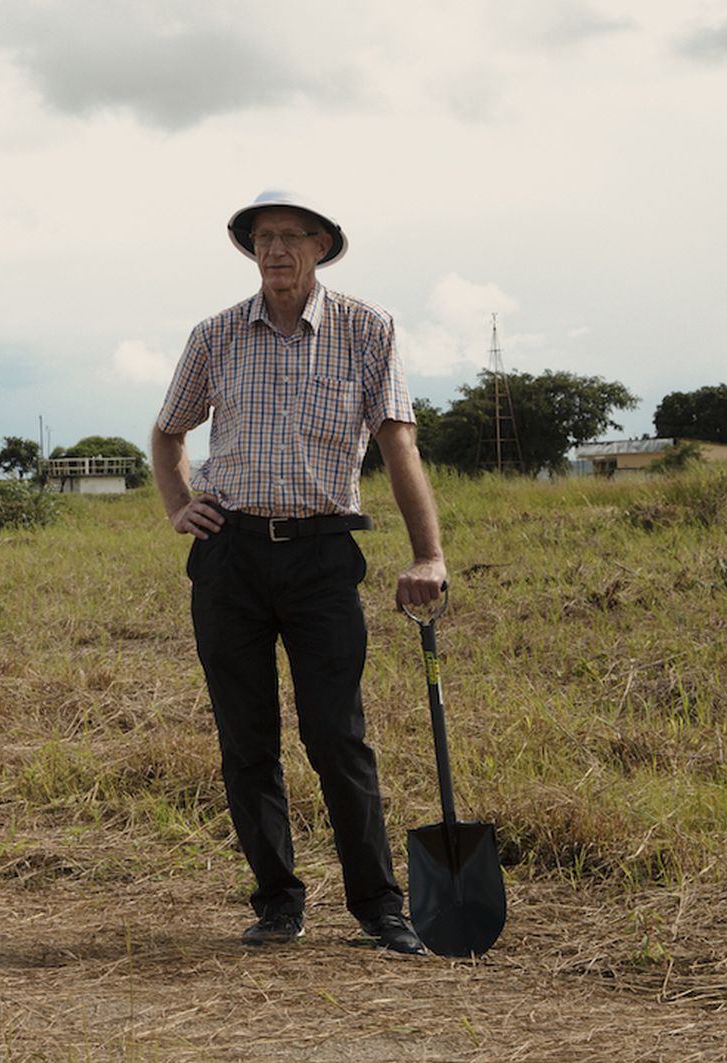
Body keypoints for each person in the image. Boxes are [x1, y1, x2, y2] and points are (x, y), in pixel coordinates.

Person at [150, 190, 447, 953]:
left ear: (322, 246)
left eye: (291, 236)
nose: (274, 249)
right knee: (247, 740)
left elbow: (399, 445)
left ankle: (380, 907)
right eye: (262, 237)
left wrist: (428, 554)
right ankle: (278, 901)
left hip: (322, 556)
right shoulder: (216, 334)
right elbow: (168, 431)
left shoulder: (367, 329)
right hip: (231, 556)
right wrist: (180, 505)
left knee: (337, 735)